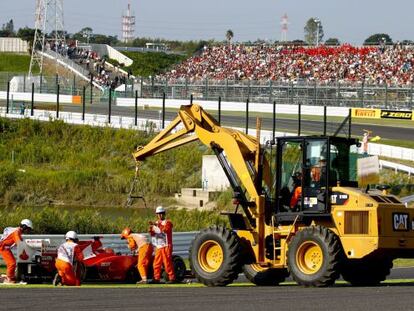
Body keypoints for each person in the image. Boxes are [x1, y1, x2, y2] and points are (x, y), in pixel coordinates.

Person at [0, 219, 33, 284]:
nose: (28, 231)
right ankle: (9, 279)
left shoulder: (17, 231)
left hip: (5, 246)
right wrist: (25, 251)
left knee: (12, 262)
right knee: (11, 263)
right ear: (24, 227)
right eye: (28, 229)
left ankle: (10, 277)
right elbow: (19, 244)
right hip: (3, 247)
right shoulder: (16, 232)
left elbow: (20, 242)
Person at [149, 206, 176, 284]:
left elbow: (165, 230)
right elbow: (153, 234)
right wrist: (151, 229)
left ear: (164, 214)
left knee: (167, 263)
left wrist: (157, 226)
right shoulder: (156, 223)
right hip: (159, 246)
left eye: (161, 214)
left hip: (166, 245)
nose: (160, 215)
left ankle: (172, 278)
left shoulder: (168, 222)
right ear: (156, 215)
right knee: (156, 263)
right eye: (158, 214)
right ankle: (156, 278)